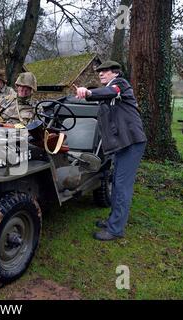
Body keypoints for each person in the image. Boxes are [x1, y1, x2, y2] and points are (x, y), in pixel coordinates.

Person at [75, 60, 147, 241]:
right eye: (99, 71)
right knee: (116, 182)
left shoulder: (119, 84)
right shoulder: (109, 92)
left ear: (115, 73)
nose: (101, 73)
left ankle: (115, 229)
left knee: (122, 186)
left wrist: (89, 92)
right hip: (123, 144)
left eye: (105, 71)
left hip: (132, 143)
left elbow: (110, 92)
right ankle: (112, 221)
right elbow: (105, 97)